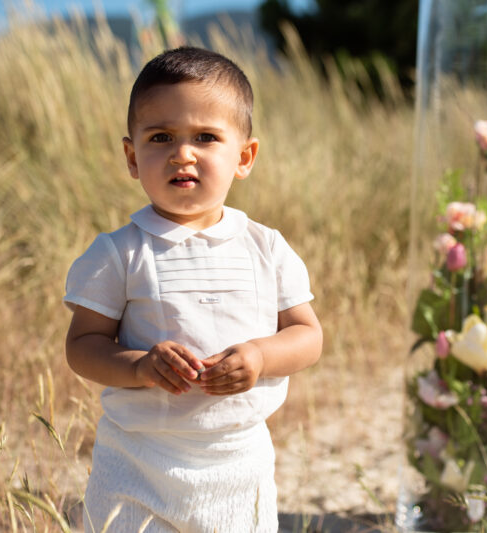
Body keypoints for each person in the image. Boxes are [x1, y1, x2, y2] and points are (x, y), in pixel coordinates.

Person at [64, 46, 323, 533]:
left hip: (237, 458)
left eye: (205, 137)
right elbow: (82, 347)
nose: (183, 153)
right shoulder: (119, 252)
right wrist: (140, 366)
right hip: (136, 456)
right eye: (161, 137)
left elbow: (308, 336)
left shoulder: (266, 247)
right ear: (132, 157)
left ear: (244, 156)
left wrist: (261, 357)